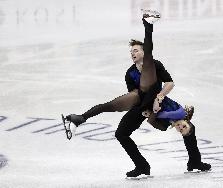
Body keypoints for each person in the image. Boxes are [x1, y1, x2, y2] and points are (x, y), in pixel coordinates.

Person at [63, 10, 211, 178]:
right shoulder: (130, 73)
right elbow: (133, 95)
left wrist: (159, 98)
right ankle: (141, 165)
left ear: (142, 51)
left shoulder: (154, 64)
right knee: (120, 133)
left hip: (156, 101)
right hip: (142, 103)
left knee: (189, 128)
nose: (132, 53)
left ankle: (195, 162)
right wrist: (144, 110)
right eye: (131, 52)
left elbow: (169, 83)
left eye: (135, 50)